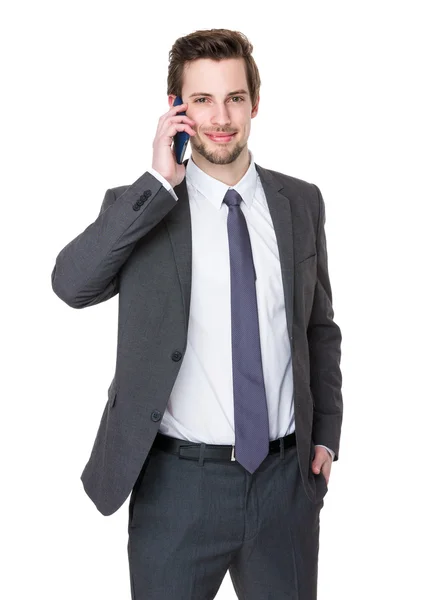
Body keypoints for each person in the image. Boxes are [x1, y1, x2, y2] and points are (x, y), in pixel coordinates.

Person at [51, 27, 343, 600]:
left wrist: (327, 438)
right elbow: (70, 285)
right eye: (203, 100)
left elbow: (319, 328)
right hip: (178, 488)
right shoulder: (143, 206)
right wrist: (159, 180)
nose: (221, 117)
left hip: (285, 486)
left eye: (234, 97)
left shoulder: (300, 202)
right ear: (177, 109)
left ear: (254, 102)